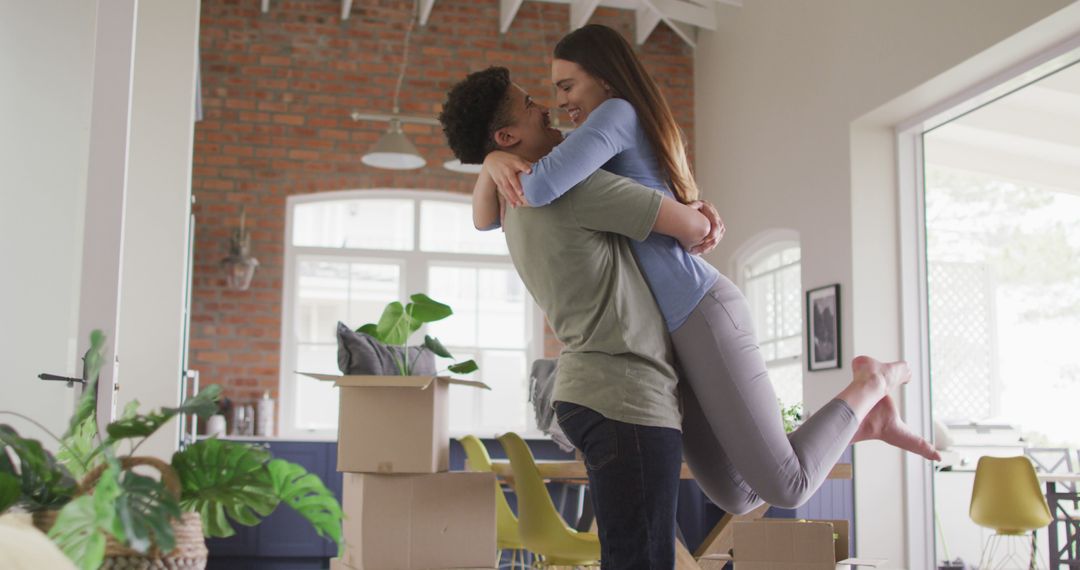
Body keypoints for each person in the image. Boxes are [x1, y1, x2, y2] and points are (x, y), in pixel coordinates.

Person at [477, 24, 940, 516]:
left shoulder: (616, 113)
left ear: (606, 80)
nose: (560, 101)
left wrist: (492, 159)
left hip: (698, 310)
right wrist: (490, 160)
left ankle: (871, 383)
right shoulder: (595, 135)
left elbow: (539, 187)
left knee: (788, 486)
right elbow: (489, 217)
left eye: (567, 86)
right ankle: (863, 422)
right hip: (671, 339)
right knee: (737, 494)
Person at [439, 66, 711, 569]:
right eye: (528, 104)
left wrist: (492, 162)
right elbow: (693, 230)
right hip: (626, 397)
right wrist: (702, 213)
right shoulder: (571, 191)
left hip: (597, 395)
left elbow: (480, 216)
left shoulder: (510, 202)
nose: (545, 106)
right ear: (507, 135)